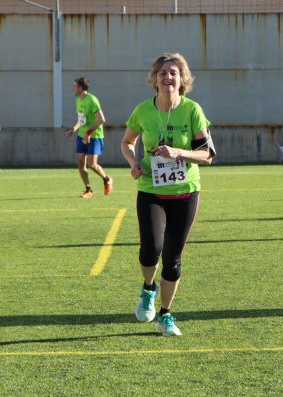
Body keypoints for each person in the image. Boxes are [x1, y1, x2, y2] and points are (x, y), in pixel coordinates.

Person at [121, 53, 215, 337]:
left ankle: (166, 314)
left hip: (185, 193)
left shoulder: (192, 110)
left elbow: (207, 155)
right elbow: (127, 142)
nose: (168, 77)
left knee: (173, 259)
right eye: (163, 73)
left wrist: (178, 152)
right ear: (155, 79)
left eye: (173, 72)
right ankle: (148, 288)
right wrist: (134, 163)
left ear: (182, 79)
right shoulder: (143, 111)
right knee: (150, 251)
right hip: (151, 190)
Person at [65, 77, 113, 198]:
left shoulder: (92, 100)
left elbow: (101, 119)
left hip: (95, 136)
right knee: (81, 162)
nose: (73, 88)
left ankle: (107, 179)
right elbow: (81, 120)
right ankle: (88, 190)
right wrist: (73, 129)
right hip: (82, 135)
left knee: (92, 164)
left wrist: (89, 132)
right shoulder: (78, 101)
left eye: (74, 86)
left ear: (81, 88)